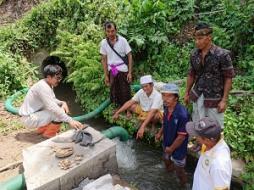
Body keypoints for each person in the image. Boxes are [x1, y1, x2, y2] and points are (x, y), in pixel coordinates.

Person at [184, 23, 235, 129]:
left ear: (209, 38)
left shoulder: (222, 55)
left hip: (215, 97)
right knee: (198, 124)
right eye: (195, 39)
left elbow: (228, 77)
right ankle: (200, 144)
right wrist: (187, 93)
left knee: (215, 128)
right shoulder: (194, 54)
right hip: (197, 94)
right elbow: (191, 74)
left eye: (200, 38)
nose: (197, 42)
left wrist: (224, 100)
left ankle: (215, 145)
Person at [19, 64, 84, 138]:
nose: (59, 80)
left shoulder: (46, 83)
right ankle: (49, 133)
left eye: (60, 78)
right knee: (59, 112)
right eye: (57, 78)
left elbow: (52, 99)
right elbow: (53, 107)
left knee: (59, 108)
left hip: (33, 115)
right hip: (28, 119)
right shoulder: (43, 87)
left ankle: (43, 130)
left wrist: (62, 102)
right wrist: (70, 120)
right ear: (49, 77)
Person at [155, 83, 189, 186]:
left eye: (169, 96)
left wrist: (171, 149)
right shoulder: (166, 108)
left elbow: (181, 137)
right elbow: (165, 123)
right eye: (164, 95)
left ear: (176, 98)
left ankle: (183, 185)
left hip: (178, 148)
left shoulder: (182, 114)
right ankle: (168, 174)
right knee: (166, 159)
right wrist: (160, 133)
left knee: (179, 171)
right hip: (167, 142)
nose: (165, 99)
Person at [186, 117, 232, 190]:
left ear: (207, 140)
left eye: (197, 136)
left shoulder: (219, 165)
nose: (195, 137)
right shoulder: (212, 143)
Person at [113, 75, 163, 139]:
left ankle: (153, 124)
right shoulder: (141, 92)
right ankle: (144, 120)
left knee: (156, 116)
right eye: (143, 87)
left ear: (152, 85)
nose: (144, 88)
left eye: (146, 86)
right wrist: (118, 112)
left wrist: (142, 127)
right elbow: (130, 102)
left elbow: (152, 112)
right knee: (131, 105)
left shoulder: (158, 96)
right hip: (143, 110)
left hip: (152, 113)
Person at [100, 21, 133, 107]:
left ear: (116, 30)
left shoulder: (123, 40)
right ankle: (119, 107)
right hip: (113, 69)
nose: (110, 33)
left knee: (125, 90)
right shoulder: (104, 43)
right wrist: (106, 75)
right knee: (115, 90)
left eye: (112, 31)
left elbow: (129, 56)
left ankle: (128, 110)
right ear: (105, 31)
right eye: (108, 31)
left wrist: (130, 72)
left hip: (123, 68)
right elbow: (104, 59)